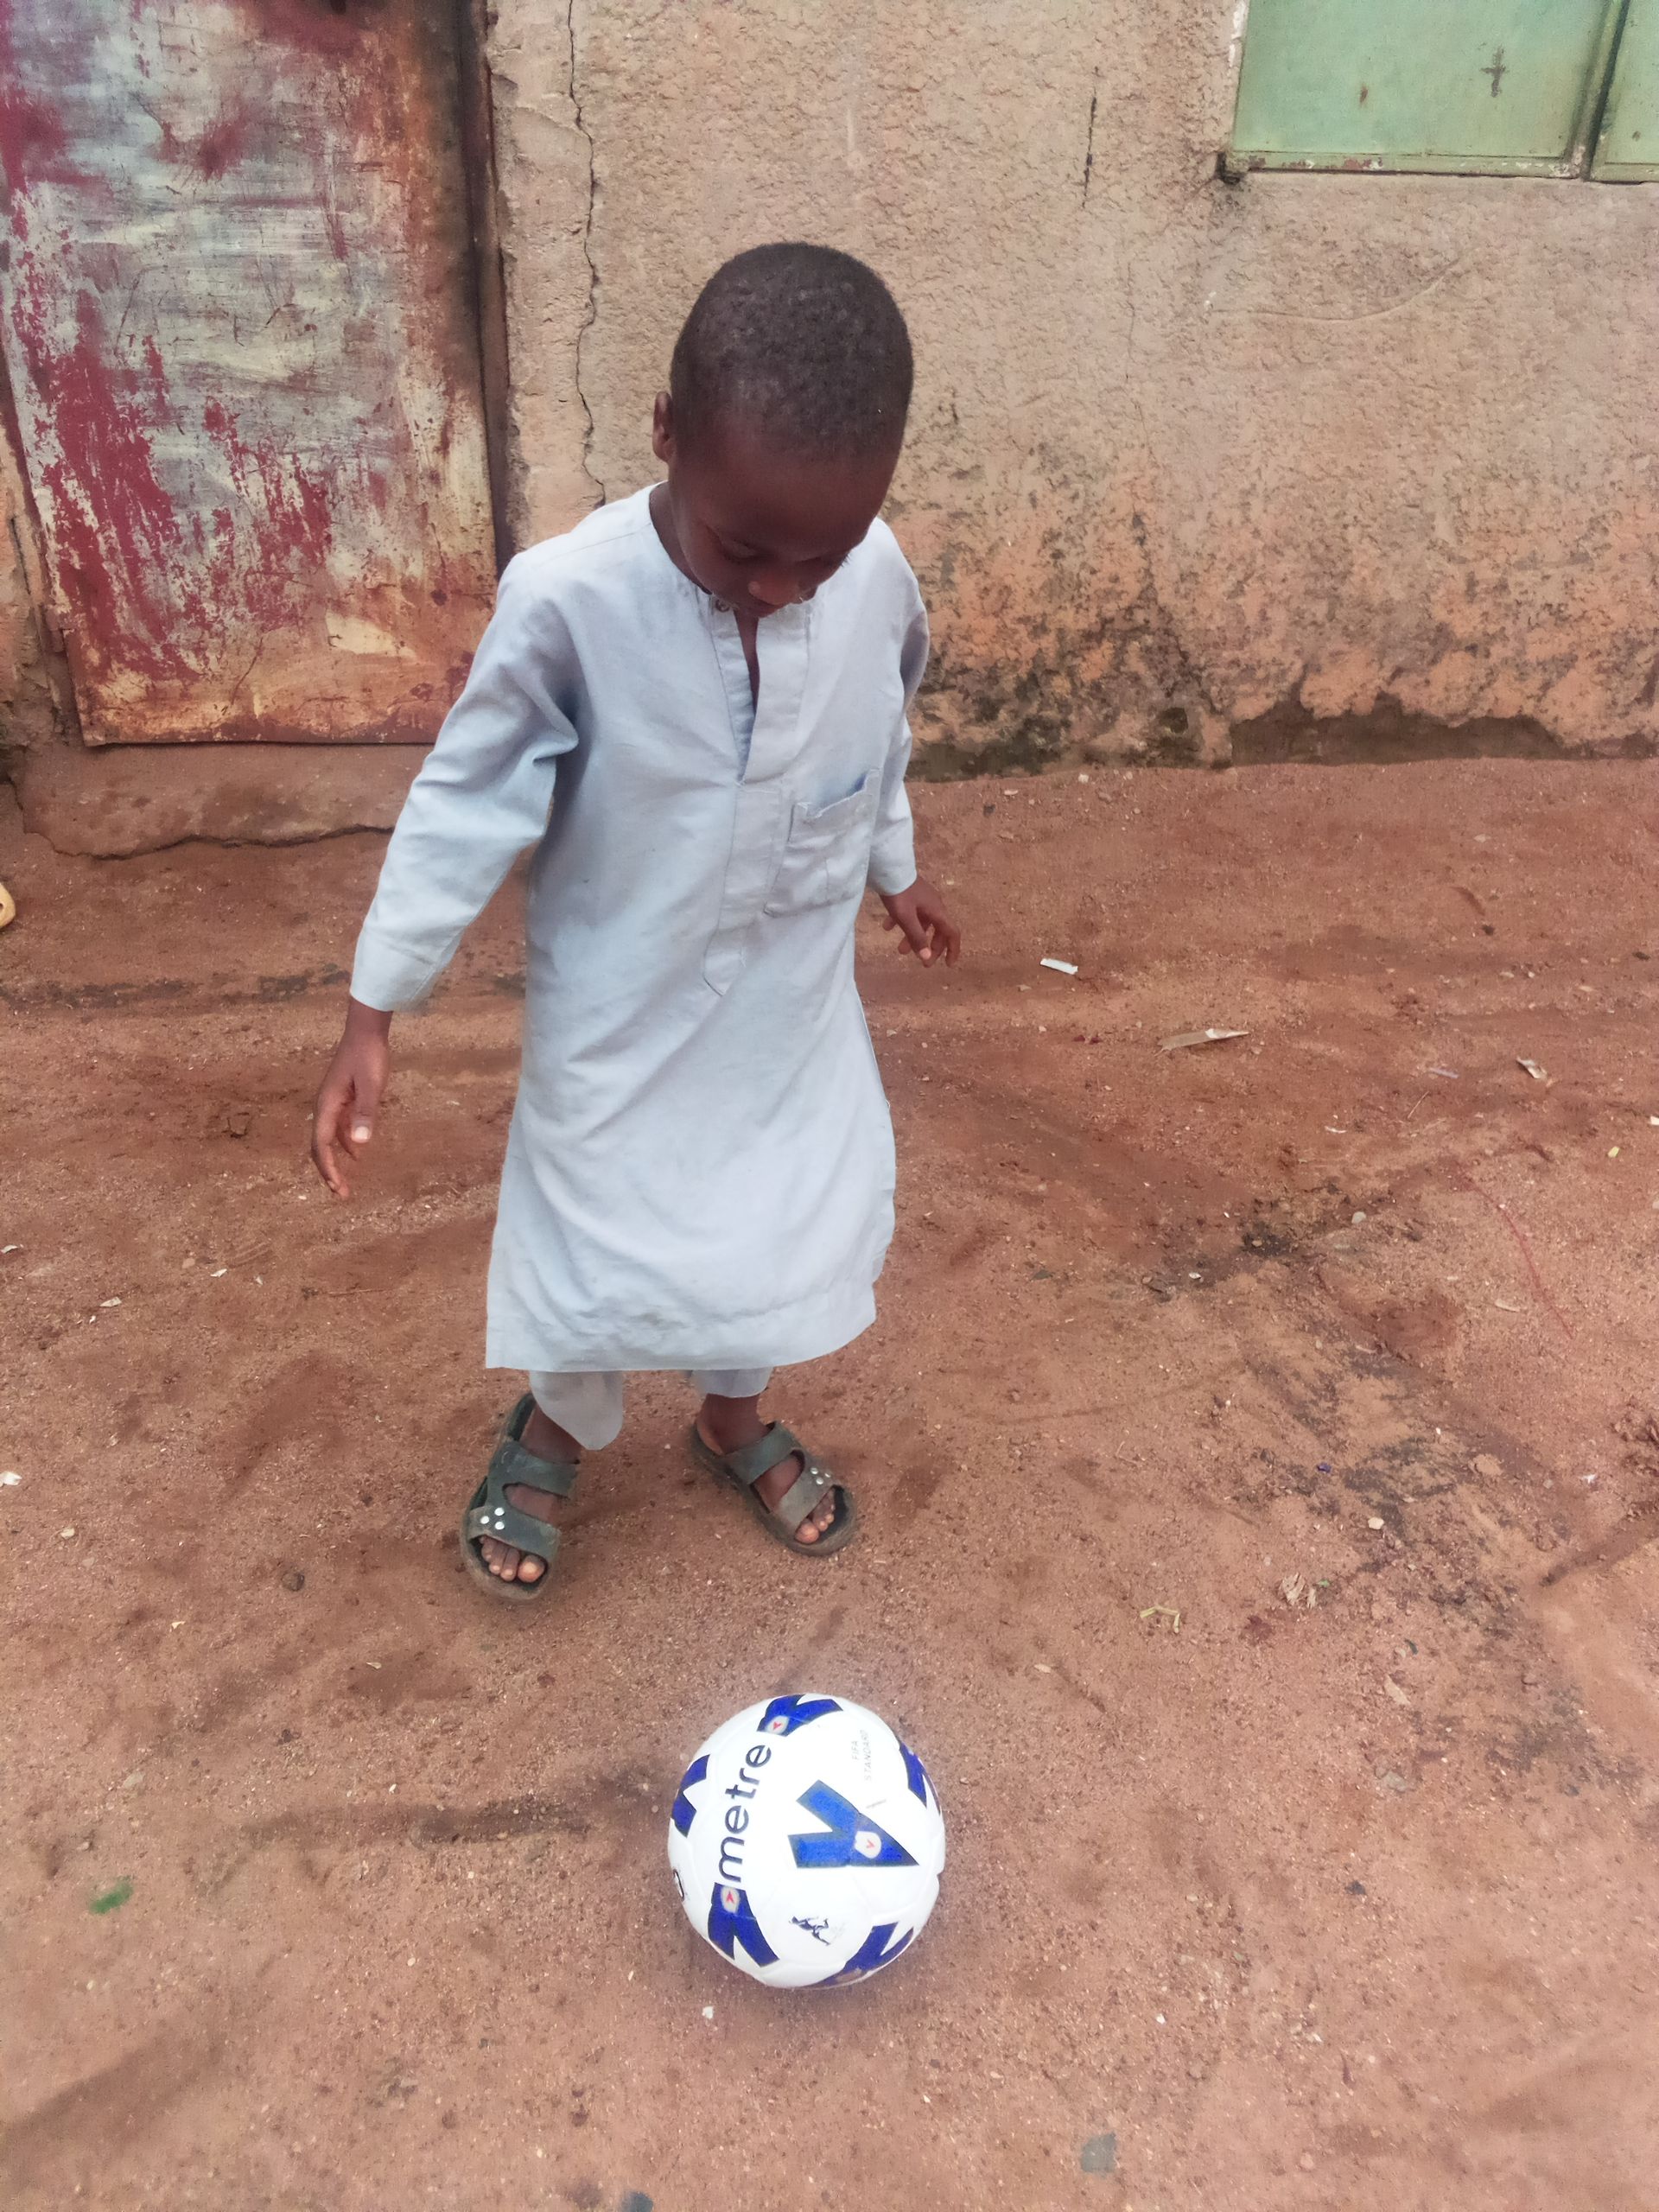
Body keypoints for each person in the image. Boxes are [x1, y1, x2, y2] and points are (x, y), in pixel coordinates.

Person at [310, 243, 960, 1600]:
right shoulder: (571, 602)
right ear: (666, 432)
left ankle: (732, 1415)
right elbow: (467, 801)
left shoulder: (876, 578)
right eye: (745, 549)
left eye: (823, 555)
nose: (783, 588)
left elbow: (875, 735)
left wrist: (896, 870)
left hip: (786, 1002)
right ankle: (556, 1426)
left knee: (771, 1216)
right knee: (594, 1232)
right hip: (615, 1005)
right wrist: (377, 1005)